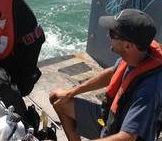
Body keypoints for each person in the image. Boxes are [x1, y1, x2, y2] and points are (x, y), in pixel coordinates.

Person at [49, 9, 162, 141]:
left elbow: (128, 137)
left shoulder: (149, 90)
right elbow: (111, 74)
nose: (109, 36)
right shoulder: (136, 56)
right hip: (110, 120)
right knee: (60, 102)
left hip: (122, 134)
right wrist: (71, 92)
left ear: (127, 46)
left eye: (112, 33)